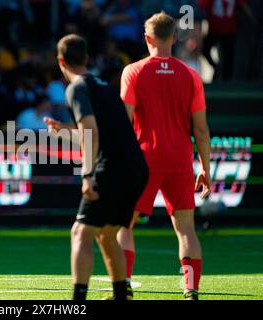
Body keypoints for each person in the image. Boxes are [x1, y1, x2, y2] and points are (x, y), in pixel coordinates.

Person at [112, 12, 212, 300]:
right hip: (181, 159)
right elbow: (201, 130)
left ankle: (125, 285)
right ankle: (191, 289)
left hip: (144, 159)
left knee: (124, 224)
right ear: (175, 38)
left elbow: (125, 123)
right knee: (186, 230)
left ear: (147, 39)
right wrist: (205, 168)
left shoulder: (133, 71)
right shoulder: (191, 75)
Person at [44, 34, 148, 300]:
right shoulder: (105, 86)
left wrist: (88, 175)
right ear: (87, 58)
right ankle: (120, 295)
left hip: (111, 168)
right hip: (136, 168)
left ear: (60, 61)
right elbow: (99, 131)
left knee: (81, 232)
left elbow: (90, 131)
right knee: (107, 234)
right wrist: (66, 131)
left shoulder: (75, 88)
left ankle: (78, 300)